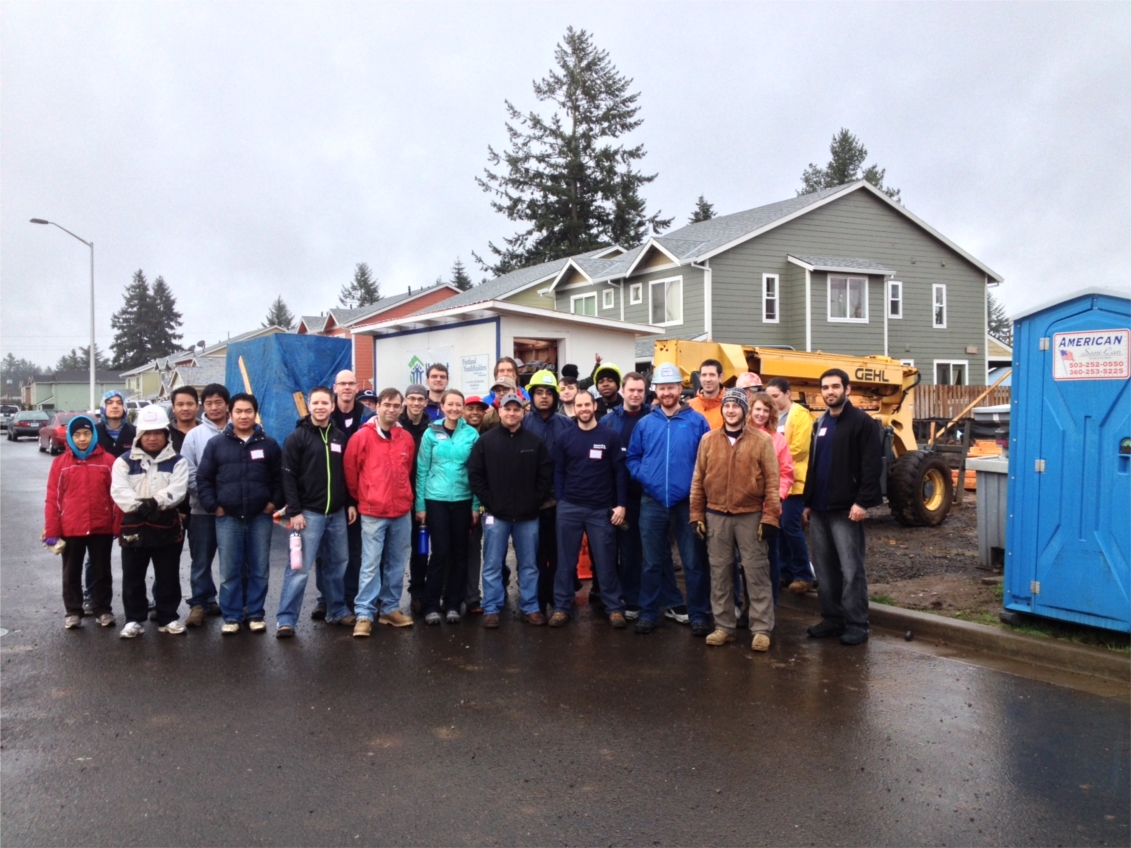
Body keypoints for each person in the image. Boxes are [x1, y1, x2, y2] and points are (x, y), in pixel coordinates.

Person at [690, 389, 782, 651]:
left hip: (750, 515)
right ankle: (723, 626)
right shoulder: (708, 440)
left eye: (736, 406)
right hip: (716, 515)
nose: (730, 410)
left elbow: (773, 484)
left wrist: (770, 517)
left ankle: (762, 628)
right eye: (727, 405)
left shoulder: (761, 441)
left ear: (745, 410)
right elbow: (698, 481)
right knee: (719, 573)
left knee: (756, 572)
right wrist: (696, 514)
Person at [625, 362, 712, 636]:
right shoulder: (645, 423)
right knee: (651, 562)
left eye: (671, 387)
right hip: (651, 502)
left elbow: (707, 459)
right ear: (656, 390)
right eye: (662, 388)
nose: (667, 392)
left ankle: (698, 614)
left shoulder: (697, 421)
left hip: (687, 503)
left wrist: (694, 488)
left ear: (679, 389)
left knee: (693, 563)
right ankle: (650, 613)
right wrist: (645, 476)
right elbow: (632, 457)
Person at [802, 369, 883, 647]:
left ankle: (857, 624)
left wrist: (862, 502)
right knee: (824, 570)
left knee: (851, 570)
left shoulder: (861, 422)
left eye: (835, 386)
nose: (830, 392)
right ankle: (833, 619)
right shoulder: (820, 423)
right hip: (820, 509)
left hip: (847, 510)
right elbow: (813, 466)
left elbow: (872, 466)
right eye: (825, 387)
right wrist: (808, 502)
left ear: (847, 389)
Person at [196, 393, 284, 635]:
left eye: (248, 411)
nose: (243, 416)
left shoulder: (269, 444)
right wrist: (215, 506)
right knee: (229, 570)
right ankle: (232, 616)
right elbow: (203, 479)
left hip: (260, 517)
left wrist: (273, 503)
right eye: (238, 411)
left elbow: (280, 479)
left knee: (259, 568)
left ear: (255, 414)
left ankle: (255, 614)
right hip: (228, 517)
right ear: (230, 414)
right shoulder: (216, 445)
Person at [467, 392, 553, 629]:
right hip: (496, 514)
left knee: (529, 565)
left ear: (523, 412)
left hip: (528, 516)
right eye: (508, 409)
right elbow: (476, 475)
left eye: (516, 409)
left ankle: (531, 607)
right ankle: (492, 607)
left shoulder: (534, 442)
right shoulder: (486, 441)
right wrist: (489, 501)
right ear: (500, 411)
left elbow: (545, 476)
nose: (512, 413)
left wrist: (534, 501)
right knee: (493, 563)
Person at [275, 386, 356, 637]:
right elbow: (287, 477)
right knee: (299, 569)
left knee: (337, 564)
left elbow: (347, 474)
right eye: (316, 403)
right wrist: (295, 511)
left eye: (325, 403)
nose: (320, 407)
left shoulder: (339, 437)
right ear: (309, 406)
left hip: (337, 514)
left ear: (333, 407)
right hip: (308, 515)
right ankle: (286, 620)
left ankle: (337, 611)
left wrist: (350, 502)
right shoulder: (297, 438)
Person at [548, 390, 628, 628]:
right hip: (570, 508)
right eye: (578, 405)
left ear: (594, 406)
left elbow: (619, 473)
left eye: (587, 404)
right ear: (574, 407)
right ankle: (562, 607)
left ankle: (614, 607)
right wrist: (562, 500)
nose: (583, 408)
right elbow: (559, 471)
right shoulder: (565, 438)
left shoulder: (610, 436)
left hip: (600, 509)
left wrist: (621, 504)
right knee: (565, 561)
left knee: (605, 561)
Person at [110, 406, 189, 638]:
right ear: (139, 435)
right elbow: (120, 491)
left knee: (168, 575)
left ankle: (168, 617)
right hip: (134, 525)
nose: (152, 438)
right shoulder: (124, 462)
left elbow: (178, 489)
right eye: (147, 433)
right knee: (133, 576)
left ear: (166, 434)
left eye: (157, 433)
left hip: (166, 524)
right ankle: (134, 619)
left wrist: (156, 502)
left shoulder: (178, 461)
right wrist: (144, 506)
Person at [345, 388, 416, 636]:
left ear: (401, 408)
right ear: (378, 406)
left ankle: (390, 609)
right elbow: (351, 472)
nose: (392, 409)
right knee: (370, 564)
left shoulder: (405, 438)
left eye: (396, 405)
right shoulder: (361, 437)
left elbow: (406, 470)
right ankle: (364, 613)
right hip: (373, 511)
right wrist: (360, 498)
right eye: (387, 404)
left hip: (401, 511)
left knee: (397, 563)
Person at [43, 415, 119, 629]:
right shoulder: (61, 464)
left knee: (102, 570)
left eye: (86, 434)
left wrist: (117, 524)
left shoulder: (108, 462)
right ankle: (73, 611)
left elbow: (116, 496)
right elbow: (53, 498)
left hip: (101, 526)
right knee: (71, 572)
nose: (82, 439)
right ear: (70, 437)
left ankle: (103, 609)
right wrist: (52, 529)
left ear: (93, 435)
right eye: (77, 435)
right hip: (71, 527)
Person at [414, 388, 479, 624]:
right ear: (441, 406)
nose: (454, 408)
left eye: (458, 405)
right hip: (436, 500)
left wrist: (476, 506)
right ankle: (431, 605)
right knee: (440, 552)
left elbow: (476, 473)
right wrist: (420, 505)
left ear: (462, 408)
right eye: (449, 404)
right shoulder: (431, 432)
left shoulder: (471, 434)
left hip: (463, 500)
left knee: (460, 553)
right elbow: (422, 470)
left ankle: (453, 603)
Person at [312, 369, 369, 618]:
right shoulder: (323, 415)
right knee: (326, 553)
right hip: (328, 496)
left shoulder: (367, 417)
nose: (346, 388)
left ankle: (351, 596)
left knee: (354, 550)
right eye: (342, 384)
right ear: (334, 388)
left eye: (351, 384)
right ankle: (325, 598)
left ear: (357, 388)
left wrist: (354, 500)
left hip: (357, 495)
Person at [600, 371, 655, 619]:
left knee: (652, 550)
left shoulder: (654, 418)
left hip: (649, 493)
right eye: (631, 390)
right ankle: (630, 598)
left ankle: (653, 599)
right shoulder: (609, 422)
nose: (635, 394)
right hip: (619, 497)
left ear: (645, 393)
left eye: (640, 391)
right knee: (627, 549)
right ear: (623, 390)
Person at [521, 369, 574, 614]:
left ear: (555, 396)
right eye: (539, 392)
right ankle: (536, 600)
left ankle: (556, 595)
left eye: (548, 393)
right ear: (531, 395)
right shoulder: (522, 422)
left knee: (557, 551)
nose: (544, 397)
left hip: (558, 500)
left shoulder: (565, 424)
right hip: (530, 501)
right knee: (533, 554)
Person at [83, 389, 136, 614]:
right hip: (100, 499)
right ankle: (91, 595)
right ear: (103, 407)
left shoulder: (135, 432)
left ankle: (139, 597)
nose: (115, 406)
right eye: (109, 402)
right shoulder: (93, 433)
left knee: (136, 550)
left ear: (125, 407)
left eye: (119, 402)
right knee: (95, 555)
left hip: (130, 498)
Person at [180, 383, 229, 626]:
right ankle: (200, 603)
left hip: (235, 511)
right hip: (202, 509)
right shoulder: (194, 436)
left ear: (227, 404)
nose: (214, 407)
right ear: (203, 406)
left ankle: (237, 604)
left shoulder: (241, 429)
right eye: (209, 403)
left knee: (236, 561)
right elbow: (188, 473)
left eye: (218, 402)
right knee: (201, 560)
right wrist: (211, 502)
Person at [765, 377, 815, 594]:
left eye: (775, 396)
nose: (772, 401)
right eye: (769, 397)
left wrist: (769, 460)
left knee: (791, 527)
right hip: (774, 483)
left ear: (788, 393)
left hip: (794, 483)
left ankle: (804, 574)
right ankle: (785, 572)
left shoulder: (800, 416)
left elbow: (799, 448)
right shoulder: (772, 418)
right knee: (779, 528)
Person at [749, 392, 795, 604]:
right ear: (750, 410)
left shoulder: (778, 440)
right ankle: (750, 604)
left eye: (765, 410)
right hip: (744, 510)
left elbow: (786, 473)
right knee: (747, 562)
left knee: (771, 558)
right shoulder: (741, 436)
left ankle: (772, 603)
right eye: (757, 409)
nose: (761, 414)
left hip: (770, 509)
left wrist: (777, 497)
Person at [399, 383, 431, 613]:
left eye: (420, 399)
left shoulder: (433, 428)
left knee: (422, 548)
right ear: (406, 401)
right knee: (394, 549)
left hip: (427, 495)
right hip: (400, 494)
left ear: (426, 402)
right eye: (412, 398)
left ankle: (418, 592)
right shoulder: (396, 425)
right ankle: (383, 597)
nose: (416, 403)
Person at [462, 395, 490, 614]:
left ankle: (472, 596)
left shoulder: (490, 435)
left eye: (479, 409)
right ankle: (450, 593)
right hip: (459, 499)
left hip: (482, 505)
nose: (474, 413)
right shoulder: (460, 435)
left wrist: (479, 505)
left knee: (476, 547)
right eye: (470, 408)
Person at [688, 359, 725, 430]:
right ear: (700, 378)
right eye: (704, 375)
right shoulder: (689, 406)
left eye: (712, 375)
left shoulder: (730, 406)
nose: (707, 379)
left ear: (720, 377)